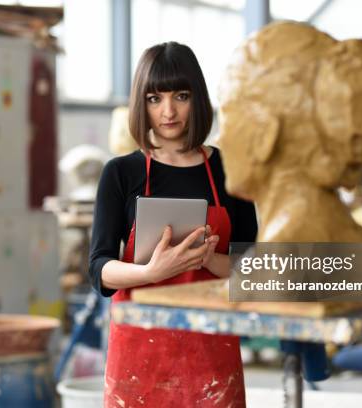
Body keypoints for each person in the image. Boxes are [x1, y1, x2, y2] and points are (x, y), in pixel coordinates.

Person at [89, 42, 257, 407]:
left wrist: (212, 262)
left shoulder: (230, 171)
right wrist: (151, 271)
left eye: (180, 95)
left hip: (211, 345)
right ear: (141, 104)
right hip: (140, 347)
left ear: (197, 97)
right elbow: (99, 268)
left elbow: (253, 269)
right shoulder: (121, 173)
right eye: (154, 98)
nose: (168, 111)